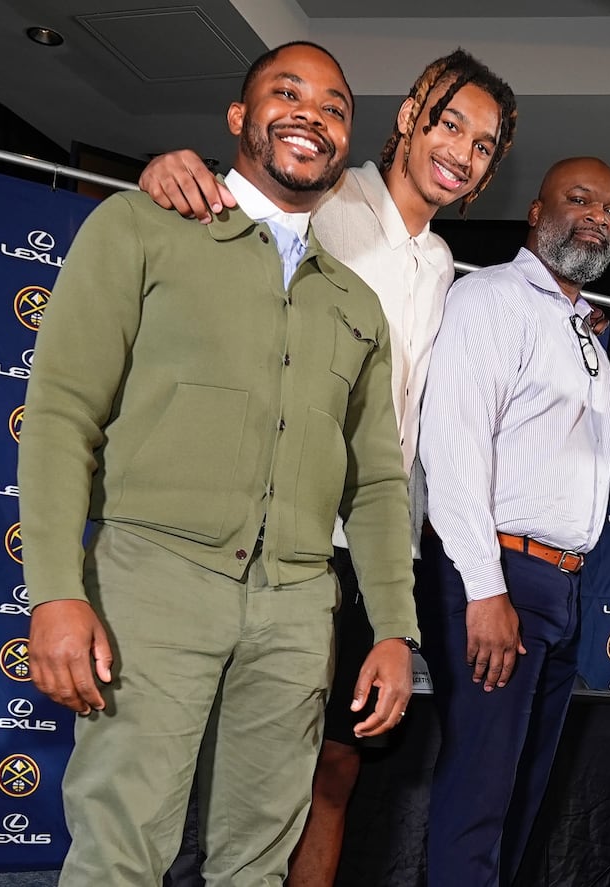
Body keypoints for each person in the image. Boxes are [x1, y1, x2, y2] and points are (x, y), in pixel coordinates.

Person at [20, 42, 416, 885]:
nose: (313, 114)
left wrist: (393, 630)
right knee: (120, 852)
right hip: (150, 585)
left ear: (346, 154)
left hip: (298, 609)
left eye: (336, 106)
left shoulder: (359, 306)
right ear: (240, 119)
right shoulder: (140, 226)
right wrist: (55, 590)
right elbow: (60, 412)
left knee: (257, 865)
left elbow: (378, 484)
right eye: (288, 92)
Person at [136, 49, 517, 887]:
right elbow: (216, 205)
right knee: (206, 761)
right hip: (276, 532)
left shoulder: (445, 263)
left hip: (377, 547)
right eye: (450, 121)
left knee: (335, 767)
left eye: (484, 144)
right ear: (412, 108)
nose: (461, 149)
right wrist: (169, 170)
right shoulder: (328, 197)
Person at [416, 157, 610, 886]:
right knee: (480, 796)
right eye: (579, 199)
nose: (599, 215)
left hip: (562, 586)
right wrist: (484, 587)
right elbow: (453, 446)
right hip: (499, 574)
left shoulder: (585, 332)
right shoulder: (490, 299)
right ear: (536, 213)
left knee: (521, 802)